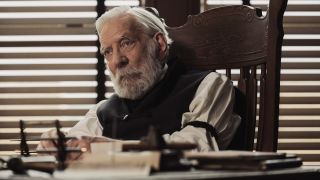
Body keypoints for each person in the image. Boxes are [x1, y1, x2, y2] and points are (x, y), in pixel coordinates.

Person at [38, 6, 240, 160]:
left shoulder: (208, 86)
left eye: (126, 43)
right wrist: (56, 144)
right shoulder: (103, 111)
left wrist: (106, 149)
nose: (117, 60)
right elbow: (74, 145)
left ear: (159, 44)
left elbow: (195, 147)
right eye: (108, 52)